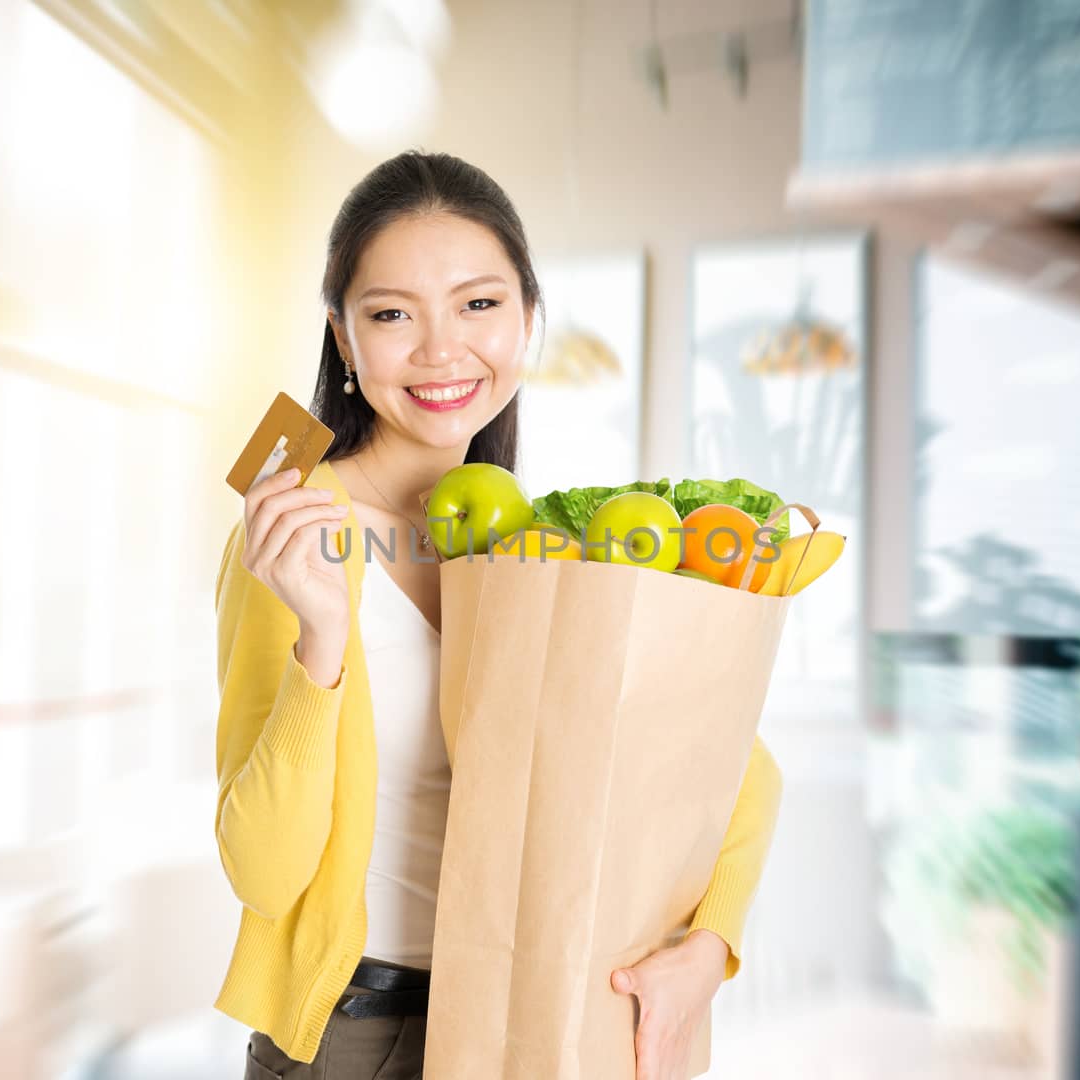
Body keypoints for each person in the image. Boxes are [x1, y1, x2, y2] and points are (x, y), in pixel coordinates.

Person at [213, 150, 783, 1080]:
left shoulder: (541, 543)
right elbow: (262, 874)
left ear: (527, 319)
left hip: (545, 1018)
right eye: (392, 314)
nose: (441, 350)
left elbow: (733, 765)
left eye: (478, 305)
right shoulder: (295, 535)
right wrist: (321, 645)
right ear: (343, 339)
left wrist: (710, 947)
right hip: (361, 1034)